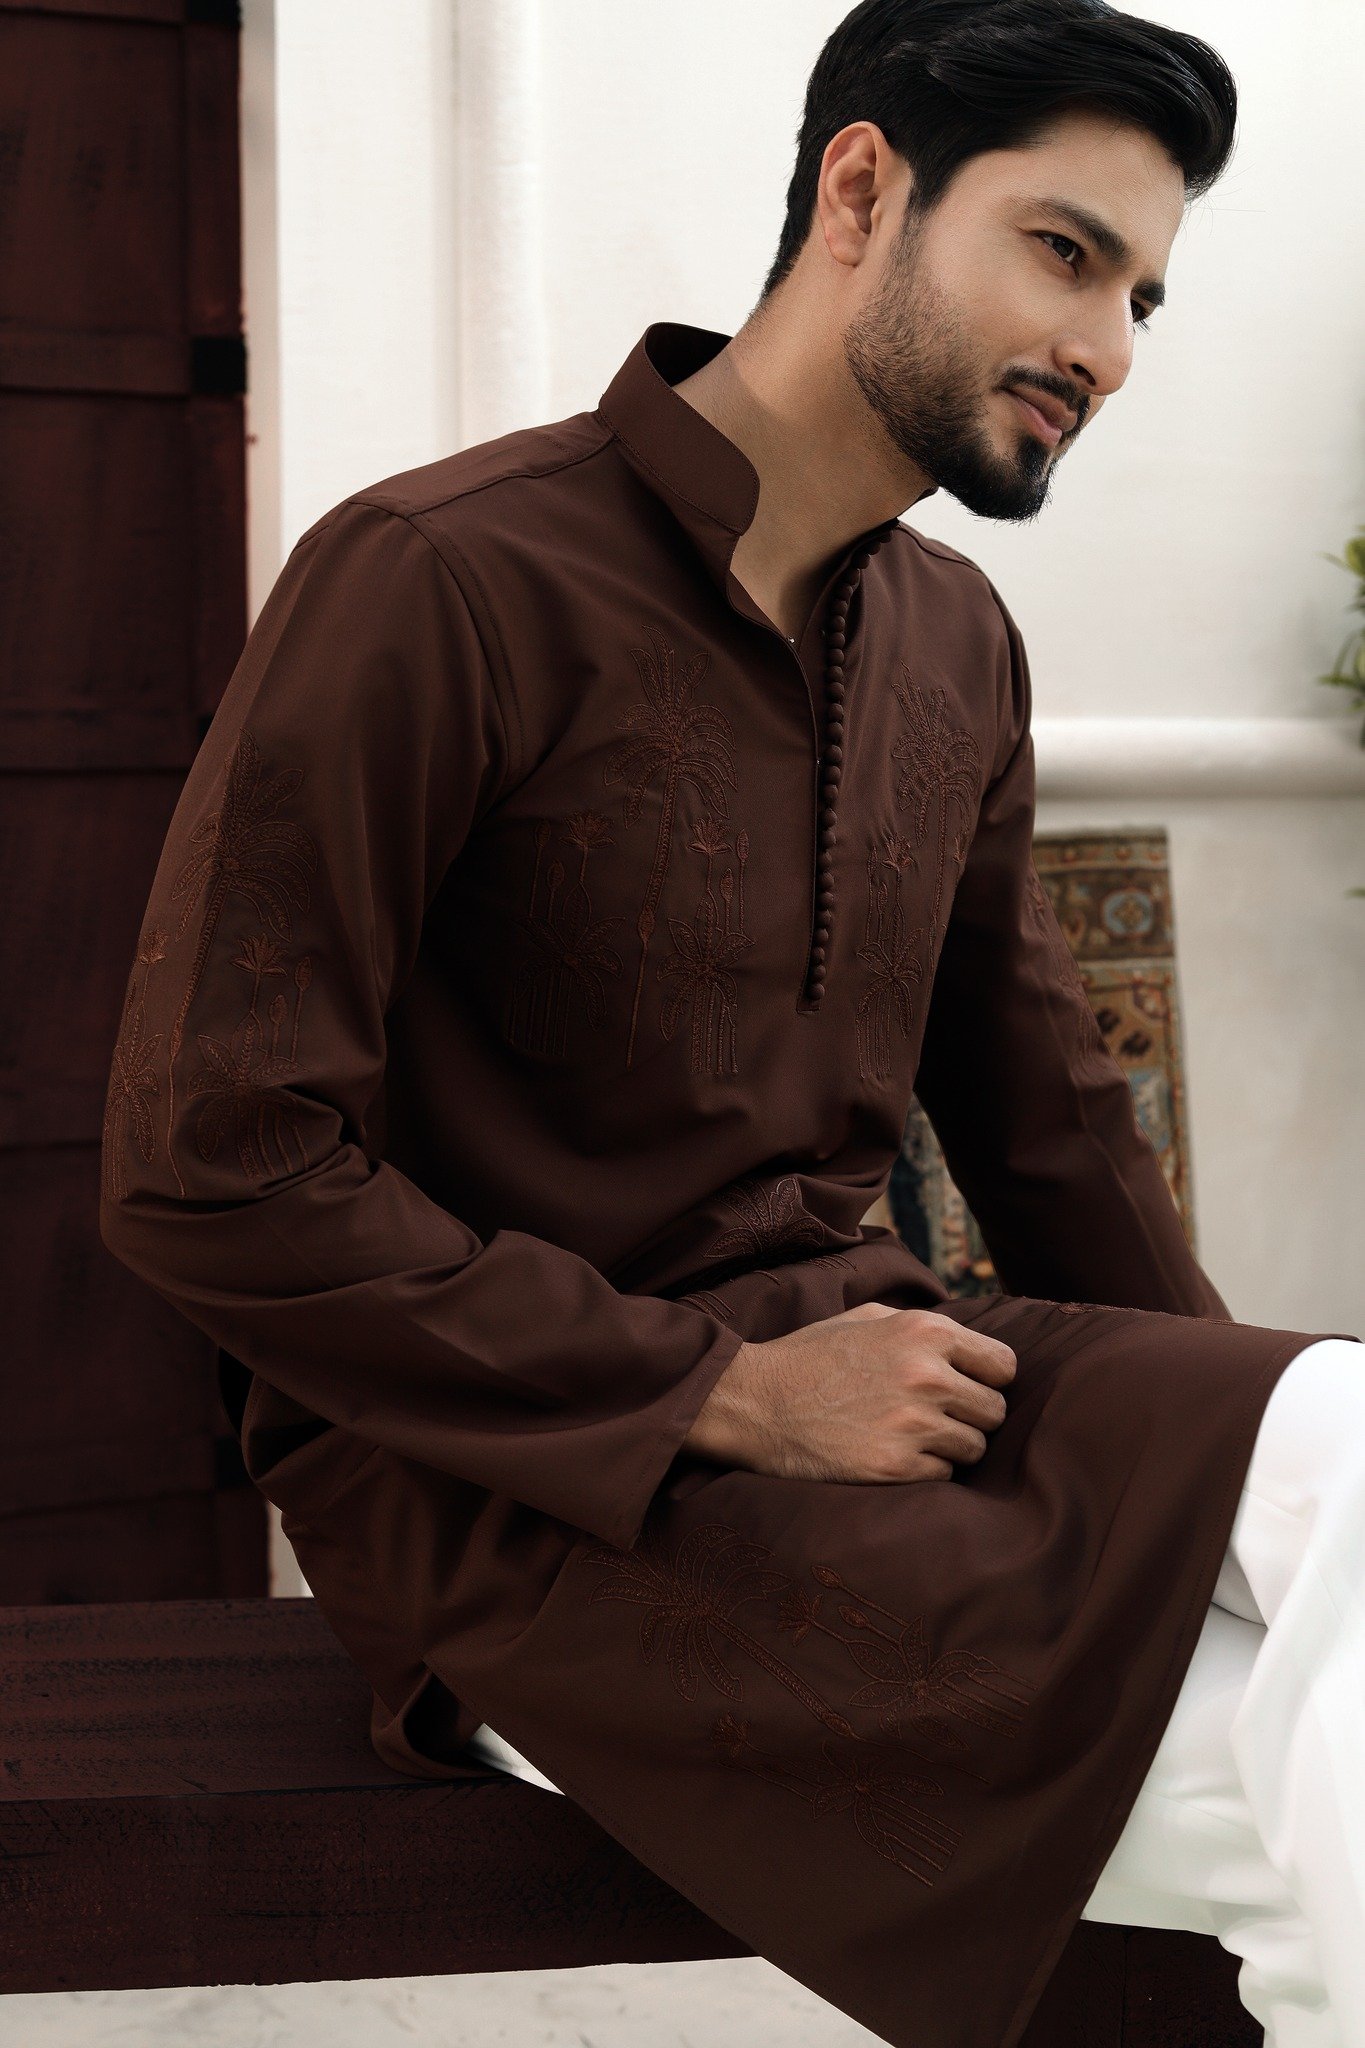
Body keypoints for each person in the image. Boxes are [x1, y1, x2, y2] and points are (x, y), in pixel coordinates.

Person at [98, 3, 1362, 2043]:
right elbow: (210, 1173)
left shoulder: (952, 639)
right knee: (1315, 1782)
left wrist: (1214, 1469)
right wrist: (727, 1396)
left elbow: (1046, 1124)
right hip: (523, 1503)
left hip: (886, 1373)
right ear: (861, 189)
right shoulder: (438, 579)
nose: (1108, 348)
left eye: (1138, 294)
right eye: (1061, 252)